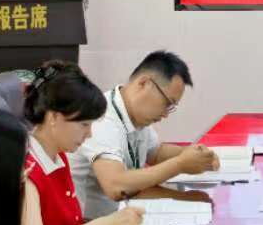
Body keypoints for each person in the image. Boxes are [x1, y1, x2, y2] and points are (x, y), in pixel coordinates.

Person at [18, 60, 142, 225]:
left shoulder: (59, 156)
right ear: (54, 117)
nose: (89, 134)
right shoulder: (26, 166)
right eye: (84, 124)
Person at [71, 50, 218, 213]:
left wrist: (194, 155)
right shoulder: (103, 118)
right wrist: (180, 164)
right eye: (167, 103)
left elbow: (156, 153)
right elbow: (116, 186)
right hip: (90, 223)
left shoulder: (135, 115)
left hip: (123, 214)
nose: (166, 114)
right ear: (143, 83)